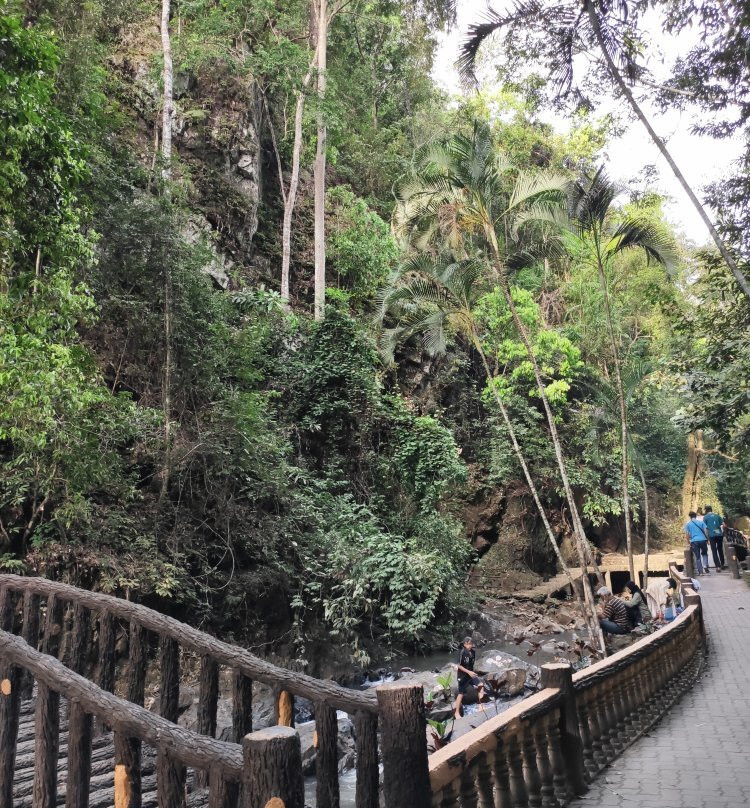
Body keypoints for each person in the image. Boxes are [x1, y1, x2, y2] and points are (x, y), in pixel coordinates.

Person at [454, 636, 484, 719]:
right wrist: (469, 672)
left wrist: (473, 672)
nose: (469, 645)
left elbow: (471, 665)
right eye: (468, 644)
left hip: (470, 674)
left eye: (471, 644)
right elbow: (459, 666)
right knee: (461, 693)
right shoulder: (462, 652)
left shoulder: (473, 652)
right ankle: (456, 713)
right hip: (462, 676)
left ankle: (480, 706)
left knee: (481, 685)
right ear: (464, 644)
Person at [703, 505, 726, 571]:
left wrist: (707, 538)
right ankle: (722, 564)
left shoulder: (705, 517)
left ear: (706, 510)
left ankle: (718, 566)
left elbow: (705, 529)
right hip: (719, 534)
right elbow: (724, 525)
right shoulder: (717, 516)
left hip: (712, 535)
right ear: (711, 509)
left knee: (714, 551)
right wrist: (723, 532)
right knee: (720, 550)